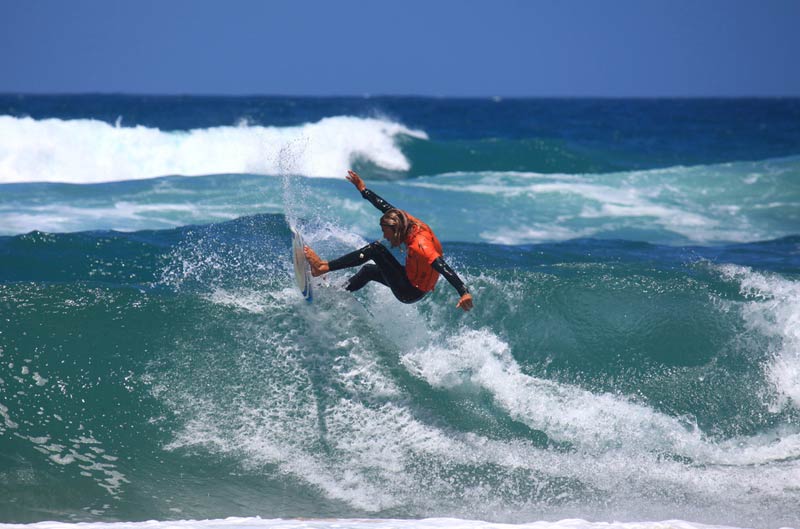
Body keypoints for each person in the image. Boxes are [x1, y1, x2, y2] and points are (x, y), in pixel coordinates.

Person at [304, 170, 474, 312]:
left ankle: (322, 267)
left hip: (409, 291)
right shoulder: (404, 220)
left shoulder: (421, 246)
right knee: (368, 271)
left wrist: (464, 292)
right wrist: (363, 190)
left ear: (397, 230)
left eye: (387, 233)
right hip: (409, 277)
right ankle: (336, 293)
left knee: (376, 249)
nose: (385, 236)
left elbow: (442, 266)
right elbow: (385, 207)